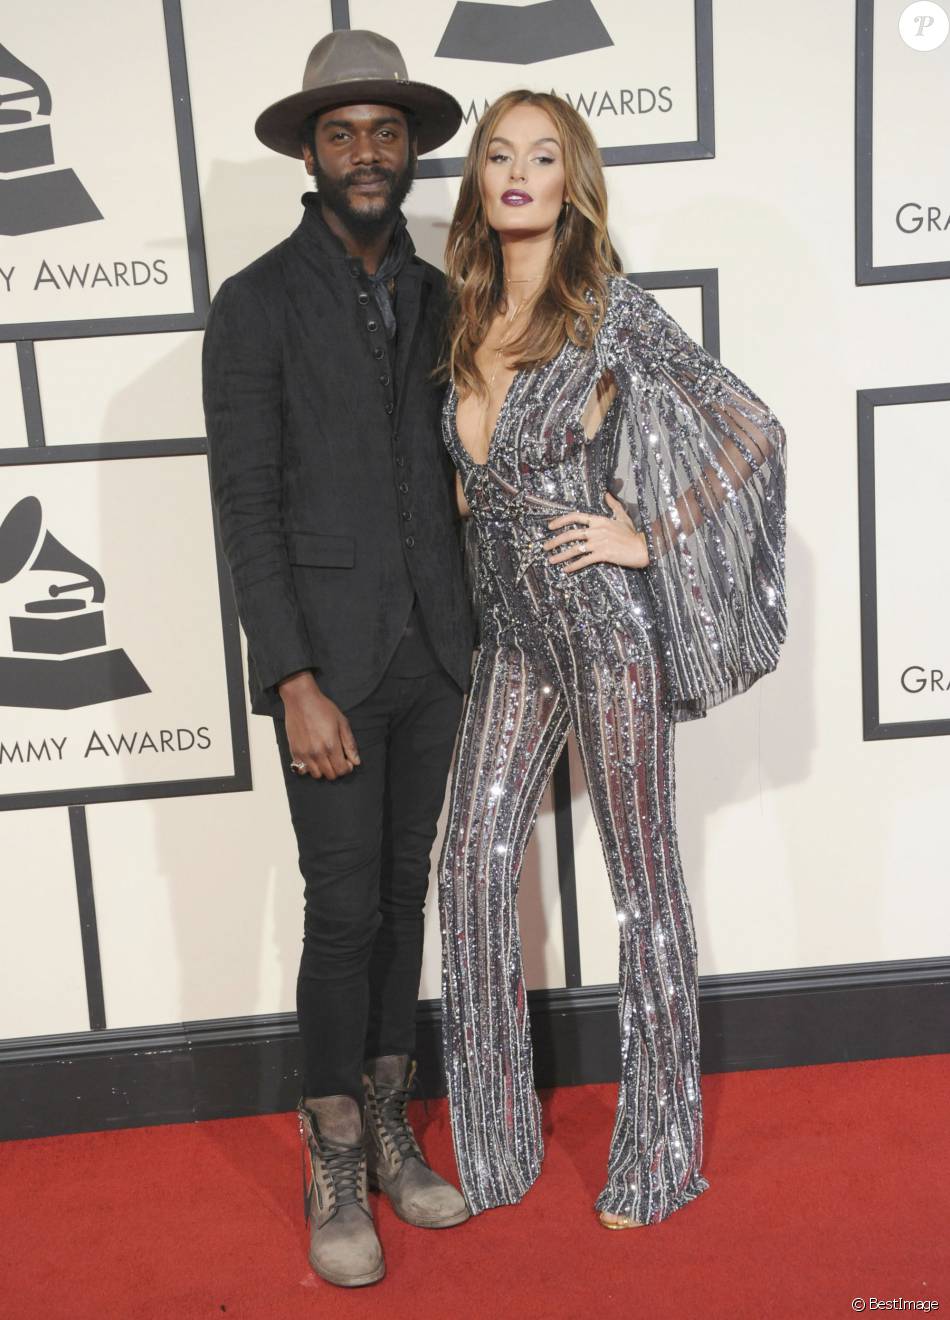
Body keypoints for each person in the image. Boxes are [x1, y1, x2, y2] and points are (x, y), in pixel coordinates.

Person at [437, 90, 787, 1229]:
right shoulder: (467, 311)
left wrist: (647, 537)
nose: (519, 173)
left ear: (571, 178)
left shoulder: (606, 311)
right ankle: (493, 1150)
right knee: (470, 864)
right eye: (500, 155)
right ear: (480, 179)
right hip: (512, 640)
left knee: (640, 886)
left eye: (544, 156)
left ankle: (657, 1153)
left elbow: (749, 430)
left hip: (601, 626)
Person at [202, 30, 475, 1289]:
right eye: (340, 132)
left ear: (410, 149)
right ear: (309, 155)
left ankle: (389, 1125)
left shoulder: (440, 293)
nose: (365, 153)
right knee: (343, 909)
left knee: (407, 895)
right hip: (328, 666)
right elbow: (246, 506)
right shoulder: (256, 302)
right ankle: (330, 1147)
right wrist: (290, 678)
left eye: (384, 131)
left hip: (439, 652)